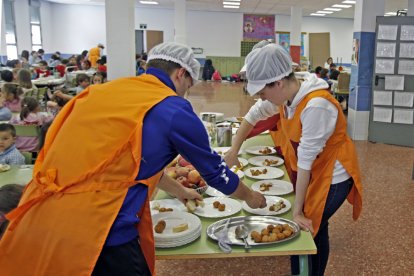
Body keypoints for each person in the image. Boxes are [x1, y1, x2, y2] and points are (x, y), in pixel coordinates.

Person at [0, 42, 266, 275]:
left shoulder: (104, 93)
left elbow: (121, 162)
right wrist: (250, 197)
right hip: (102, 225)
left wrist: (180, 190)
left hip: (44, 215)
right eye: (188, 84)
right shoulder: (173, 107)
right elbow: (215, 173)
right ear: (181, 73)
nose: (186, 92)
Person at [224, 44, 362, 276]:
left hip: (332, 178)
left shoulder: (316, 105)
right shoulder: (284, 94)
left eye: (262, 93)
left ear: (278, 82)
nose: (260, 98)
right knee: (316, 229)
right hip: (314, 172)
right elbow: (252, 116)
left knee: (303, 229)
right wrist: (233, 151)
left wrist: (297, 212)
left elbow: (306, 162)